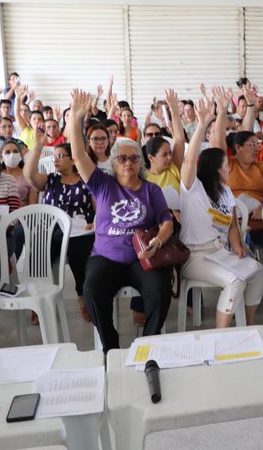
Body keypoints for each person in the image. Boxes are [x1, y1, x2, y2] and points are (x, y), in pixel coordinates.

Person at [67, 88, 173, 352]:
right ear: (114, 163)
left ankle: (147, 344)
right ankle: (110, 345)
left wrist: (158, 242)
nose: (128, 163)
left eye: (134, 158)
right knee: (91, 290)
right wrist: (76, 120)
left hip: (143, 258)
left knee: (160, 288)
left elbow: (166, 222)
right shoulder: (102, 184)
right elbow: (79, 156)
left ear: (141, 163)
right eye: (122, 158)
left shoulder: (152, 190)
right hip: (106, 257)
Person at [179, 98, 263, 328]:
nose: (229, 168)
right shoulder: (193, 189)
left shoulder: (226, 192)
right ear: (215, 169)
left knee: (258, 271)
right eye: (226, 164)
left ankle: (247, 324)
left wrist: (238, 248)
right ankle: (222, 335)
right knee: (236, 281)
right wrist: (202, 124)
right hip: (195, 255)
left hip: (220, 252)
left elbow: (232, 227)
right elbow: (189, 160)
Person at [25, 131, 95, 322]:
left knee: (80, 252)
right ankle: (39, 299)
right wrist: (38, 147)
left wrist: (95, 221)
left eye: (60, 156)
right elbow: (29, 176)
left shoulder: (85, 181)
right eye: (54, 156)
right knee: (39, 252)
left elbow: (98, 208)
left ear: (73, 160)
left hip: (80, 228)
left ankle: (83, 295)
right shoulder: (50, 180)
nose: (55, 160)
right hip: (51, 228)